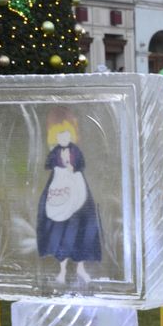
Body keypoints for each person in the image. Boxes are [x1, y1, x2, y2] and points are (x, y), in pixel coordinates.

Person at [37, 106, 101, 284]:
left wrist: (71, 167)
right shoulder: (55, 153)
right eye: (59, 135)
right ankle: (62, 270)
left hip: (78, 192)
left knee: (82, 228)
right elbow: (49, 164)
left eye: (66, 134)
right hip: (58, 191)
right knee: (58, 229)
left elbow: (80, 164)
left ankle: (81, 268)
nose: (62, 138)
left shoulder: (75, 152)